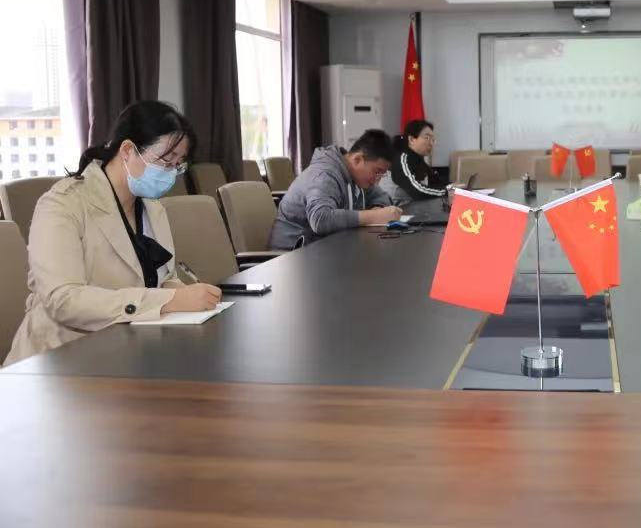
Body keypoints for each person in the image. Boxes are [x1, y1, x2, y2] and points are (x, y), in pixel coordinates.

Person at [5, 101, 222, 366]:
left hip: (128, 351)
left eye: (178, 165)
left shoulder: (152, 208)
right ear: (128, 150)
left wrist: (186, 294)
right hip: (59, 360)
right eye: (166, 162)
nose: (171, 175)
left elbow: (162, 279)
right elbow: (63, 300)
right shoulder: (62, 204)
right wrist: (170, 300)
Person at [269, 129, 402, 250]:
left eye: (382, 174)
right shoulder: (325, 174)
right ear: (357, 160)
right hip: (292, 253)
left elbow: (382, 197)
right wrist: (373, 216)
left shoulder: (356, 176)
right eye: (377, 172)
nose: (377, 180)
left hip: (324, 248)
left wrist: (378, 208)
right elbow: (320, 219)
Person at [386, 119, 448, 201]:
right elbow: (417, 192)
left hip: (415, 206)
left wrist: (455, 188)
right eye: (427, 138)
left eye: (433, 140)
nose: (431, 144)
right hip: (396, 207)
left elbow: (437, 184)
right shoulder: (402, 159)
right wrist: (447, 192)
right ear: (411, 139)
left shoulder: (420, 161)